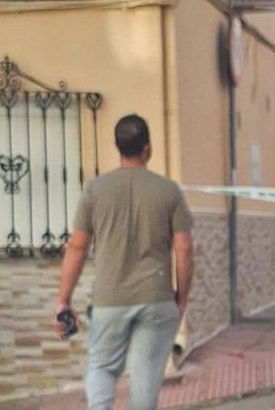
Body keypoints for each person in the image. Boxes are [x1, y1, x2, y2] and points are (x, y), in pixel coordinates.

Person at [55, 114, 194, 410]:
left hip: (109, 300)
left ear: (117, 146)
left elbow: (77, 246)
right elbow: (183, 249)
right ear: (148, 148)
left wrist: (63, 300)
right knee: (145, 377)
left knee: (102, 367)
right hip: (156, 297)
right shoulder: (169, 191)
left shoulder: (94, 190)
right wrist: (181, 299)